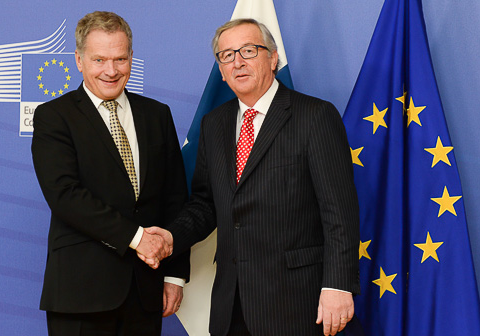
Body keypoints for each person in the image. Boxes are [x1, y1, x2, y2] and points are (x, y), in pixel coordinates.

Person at [148, 18, 360, 336]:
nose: (238, 62)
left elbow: (339, 212)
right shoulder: (213, 125)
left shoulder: (314, 116)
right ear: (221, 70)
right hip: (231, 303)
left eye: (248, 50)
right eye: (227, 55)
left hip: (298, 303)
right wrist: (171, 238)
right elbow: (206, 205)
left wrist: (338, 285)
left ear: (273, 58)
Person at [31, 11, 189, 336]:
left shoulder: (157, 115)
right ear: (78, 60)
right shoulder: (54, 117)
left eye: (120, 58)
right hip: (80, 294)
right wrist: (138, 239)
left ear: (132, 57)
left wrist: (174, 276)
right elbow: (66, 196)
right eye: (99, 59)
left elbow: (175, 198)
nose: (111, 70)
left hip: (145, 292)